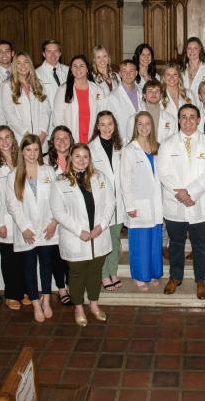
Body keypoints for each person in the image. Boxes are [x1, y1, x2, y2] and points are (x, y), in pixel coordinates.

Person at [158, 104, 205, 300]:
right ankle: (175, 277)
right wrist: (181, 194)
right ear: (178, 120)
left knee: (199, 243)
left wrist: (191, 193)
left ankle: (200, 279)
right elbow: (164, 172)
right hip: (175, 201)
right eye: (183, 117)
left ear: (199, 120)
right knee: (176, 243)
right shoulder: (167, 144)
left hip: (199, 202)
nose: (187, 121)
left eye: (192, 117)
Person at [50, 143, 115, 327]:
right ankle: (78, 308)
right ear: (70, 158)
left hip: (98, 236)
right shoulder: (60, 181)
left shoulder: (100, 177)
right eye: (77, 156)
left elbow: (110, 203)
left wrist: (100, 227)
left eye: (85, 156)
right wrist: (80, 231)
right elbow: (58, 211)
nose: (81, 160)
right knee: (77, 274)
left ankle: (94, 305)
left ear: (90, 158)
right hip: (75, 237)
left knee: (95, 272)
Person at [6, 135, 59, 323]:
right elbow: (12, 205)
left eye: (36, 150)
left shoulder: (49, 171)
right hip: (27, 231)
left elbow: (57, 200)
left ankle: (46, 300)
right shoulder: (14, 175)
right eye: (28, 150)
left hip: (47, 228)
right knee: (29, 267)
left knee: (46, 265)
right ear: (22, 151)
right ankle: (35, 303)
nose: (32, 154)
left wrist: (53, 222)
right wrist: (24, 228)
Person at [121, 111, 164, 290]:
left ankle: (153, 273)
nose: (144, 127)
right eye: (140, 124)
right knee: (140, 242)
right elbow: (125, 179)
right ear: (135, 126)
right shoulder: (130, 150)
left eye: (147, 124)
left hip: (156, 204)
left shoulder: (157, 147)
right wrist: (130, 205)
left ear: (152, 127)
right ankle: (139, 275)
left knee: (154, 241)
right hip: (138, 204)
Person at [0, 126, 25, 311]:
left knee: (23, 256)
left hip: (23, 217)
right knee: (9, 259)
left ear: (13, 139)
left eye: (7, 137)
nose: (5, 141)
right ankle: (11, 294)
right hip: (5, 219)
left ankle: (23, 291)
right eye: (0, 138)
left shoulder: (22, 160)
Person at [88, 111, 125, 292]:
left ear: (115, 125)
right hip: (101, 203)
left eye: (110, 124)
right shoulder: (91, 148)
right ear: (97, 126)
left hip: (119, 202)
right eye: (102, 124)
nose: (107, 128)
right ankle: (104, 274)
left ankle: (113, 271)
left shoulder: (120, 146)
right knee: (103, 240)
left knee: (115, 239)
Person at [46, 125, 75, 305]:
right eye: (58, 138)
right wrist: (54, 220)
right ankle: (61, 288)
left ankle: (72, 285)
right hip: (52, 217)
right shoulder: (45, 163)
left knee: (71, 253)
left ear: (71, 140)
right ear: (52, 142)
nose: (62, 141)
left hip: (73, 215)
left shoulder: (78, 159)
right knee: (56, 255)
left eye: (65, 138)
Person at [1, 51, 51, 149]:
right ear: (14, 66)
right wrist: (26, 134)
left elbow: (46, 110)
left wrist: (43, 132)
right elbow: (10, 115)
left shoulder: (38, 83)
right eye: (18, 63)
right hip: (20, 139)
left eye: (26, 62)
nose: (22, 66)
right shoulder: (7, 86)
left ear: (30, 64)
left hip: (40, 139)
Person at [52, 54, 104, 144]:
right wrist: (66, 139)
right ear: (71, 70)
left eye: (81, 66)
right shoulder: (63, 90)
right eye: (74, 66)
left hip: (93, 139)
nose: (78, 69)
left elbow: (103, 116)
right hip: (71, 140)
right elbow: (57, 119)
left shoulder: (98, 90)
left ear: (87, 69)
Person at [107, 60, 143, 139]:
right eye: (124, 71)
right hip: (123, 141)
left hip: (142, 140)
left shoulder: (143, 93)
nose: (128, 74)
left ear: (136, 73)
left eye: (131, 71)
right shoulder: (113, 97)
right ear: (120, 74)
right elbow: (110, 124)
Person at [35, 39, 70, 115]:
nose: (53, 54)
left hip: (68, 116)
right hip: (48, 120)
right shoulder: (36, 74)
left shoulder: (68, 71)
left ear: (60, 53)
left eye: (56, 51)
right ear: (44, 54)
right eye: (49, 51)